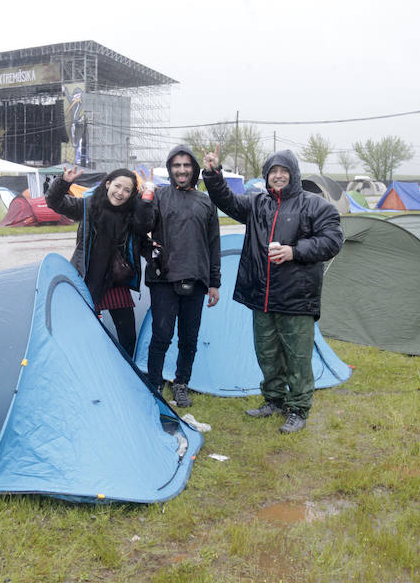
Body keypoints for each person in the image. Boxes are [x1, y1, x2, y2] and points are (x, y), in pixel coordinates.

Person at [202, 147, 343, 433]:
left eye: (283, 171)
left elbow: (333, 240)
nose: (278, 176)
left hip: (296, 297)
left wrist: (295, 251)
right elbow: (226, 200)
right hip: (262, 296)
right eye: (273, 172)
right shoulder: (257, 205)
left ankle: (299, 409)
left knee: (298, 357)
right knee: (267, 353)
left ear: (293, 175)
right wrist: (214, 174)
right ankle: (274, 401)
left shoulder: (316, 206)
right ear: (266, 177)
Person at [135, 145, 220, 408]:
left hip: (195, 279)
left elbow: (213, 243)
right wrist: (147, 195)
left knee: (189, 338)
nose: (181, 170)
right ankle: (155, 383)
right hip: (164, 278)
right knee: (161, 335)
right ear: (170, 169)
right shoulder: (160, 196)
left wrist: (214, 282)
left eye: (186, 165)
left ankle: (181, 384)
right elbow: (141, 227)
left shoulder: (205, 202)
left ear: (194, 169)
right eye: (176, 165)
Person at [45, 167, 144, 357]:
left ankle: (125, 371)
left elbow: (141, 239)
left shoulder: (131, 214)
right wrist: (64, 182)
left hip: (116, 281)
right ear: (108, 184)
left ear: (131, 194)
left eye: (126, 190)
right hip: (88, 279)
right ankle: (85, 368)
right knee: (83, 331)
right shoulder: (88, 206)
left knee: (128, 335)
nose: (120, 193)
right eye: (117, 186)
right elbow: (54, 201)